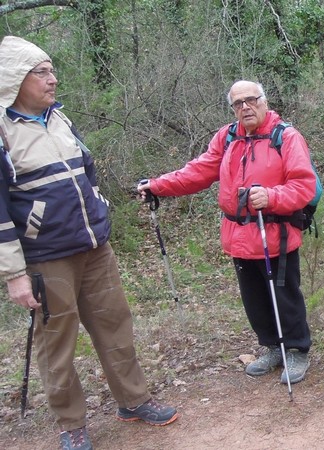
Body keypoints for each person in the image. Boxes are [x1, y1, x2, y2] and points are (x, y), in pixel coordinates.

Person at [0, 36, 178, 450]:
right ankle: (71, 424)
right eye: (42, 73)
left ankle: (134, 401)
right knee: (56, 343)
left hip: (94, 247)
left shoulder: (60, 119)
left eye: (51, 70)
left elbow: (87, 171)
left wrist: (97, 208)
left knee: (115, 325)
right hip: (46, 258)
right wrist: (14, 275)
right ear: (15, 79)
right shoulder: (4, 132)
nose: (53, 79)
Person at [138, 80, 317, 384]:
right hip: (238, 236)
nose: (245, 107)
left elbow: (304, 185)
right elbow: (198, 171)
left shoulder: (286, 137)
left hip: (275, 233)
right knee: (255, 300)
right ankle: (273, 347)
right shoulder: (228, 137)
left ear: (264, 101)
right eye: (238, 103)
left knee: (284, 296)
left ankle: (297, 351)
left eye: (251, 100)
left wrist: (272, 196)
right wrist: (158, 185)